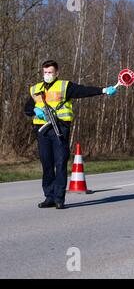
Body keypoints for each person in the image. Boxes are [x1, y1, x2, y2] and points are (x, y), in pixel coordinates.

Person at [24, 60, 117, 210]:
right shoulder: (36, 89)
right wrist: (35, 110)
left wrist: (104, 90)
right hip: (42, 131)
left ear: (57, 73)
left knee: (60, 163)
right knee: (47, 164)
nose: (47, 75)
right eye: (45, 72)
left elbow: (83, 91)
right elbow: (27, 108)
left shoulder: (64, 86)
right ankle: (49, 197)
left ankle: (59, 198)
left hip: (59, 129)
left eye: (50, 72)